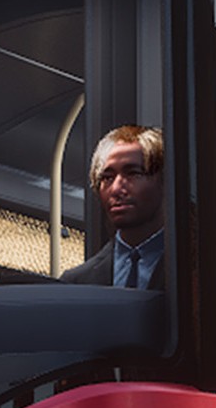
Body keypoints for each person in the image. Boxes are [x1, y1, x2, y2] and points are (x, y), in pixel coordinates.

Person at [60, 123, 168, 289]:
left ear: (164, 181)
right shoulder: (75, 282)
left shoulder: (200, 267)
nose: (117, 189)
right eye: (107, 178)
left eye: (133, 174)